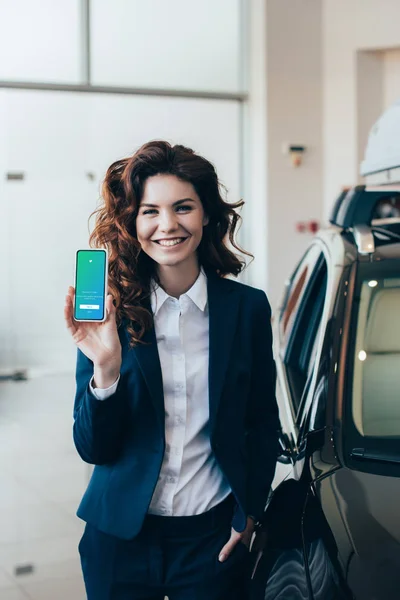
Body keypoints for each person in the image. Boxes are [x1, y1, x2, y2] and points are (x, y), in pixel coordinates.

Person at [64, 140, 279, 600]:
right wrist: (106, 367)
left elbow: (262, 421)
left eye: (183, 207)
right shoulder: (110, 313)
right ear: (132, 223)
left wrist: (250, 513)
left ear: (206, 216)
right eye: (150, 211)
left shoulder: (246, 309)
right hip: (119, 539)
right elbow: (92, 447)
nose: (168, 225)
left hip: (211, 540)